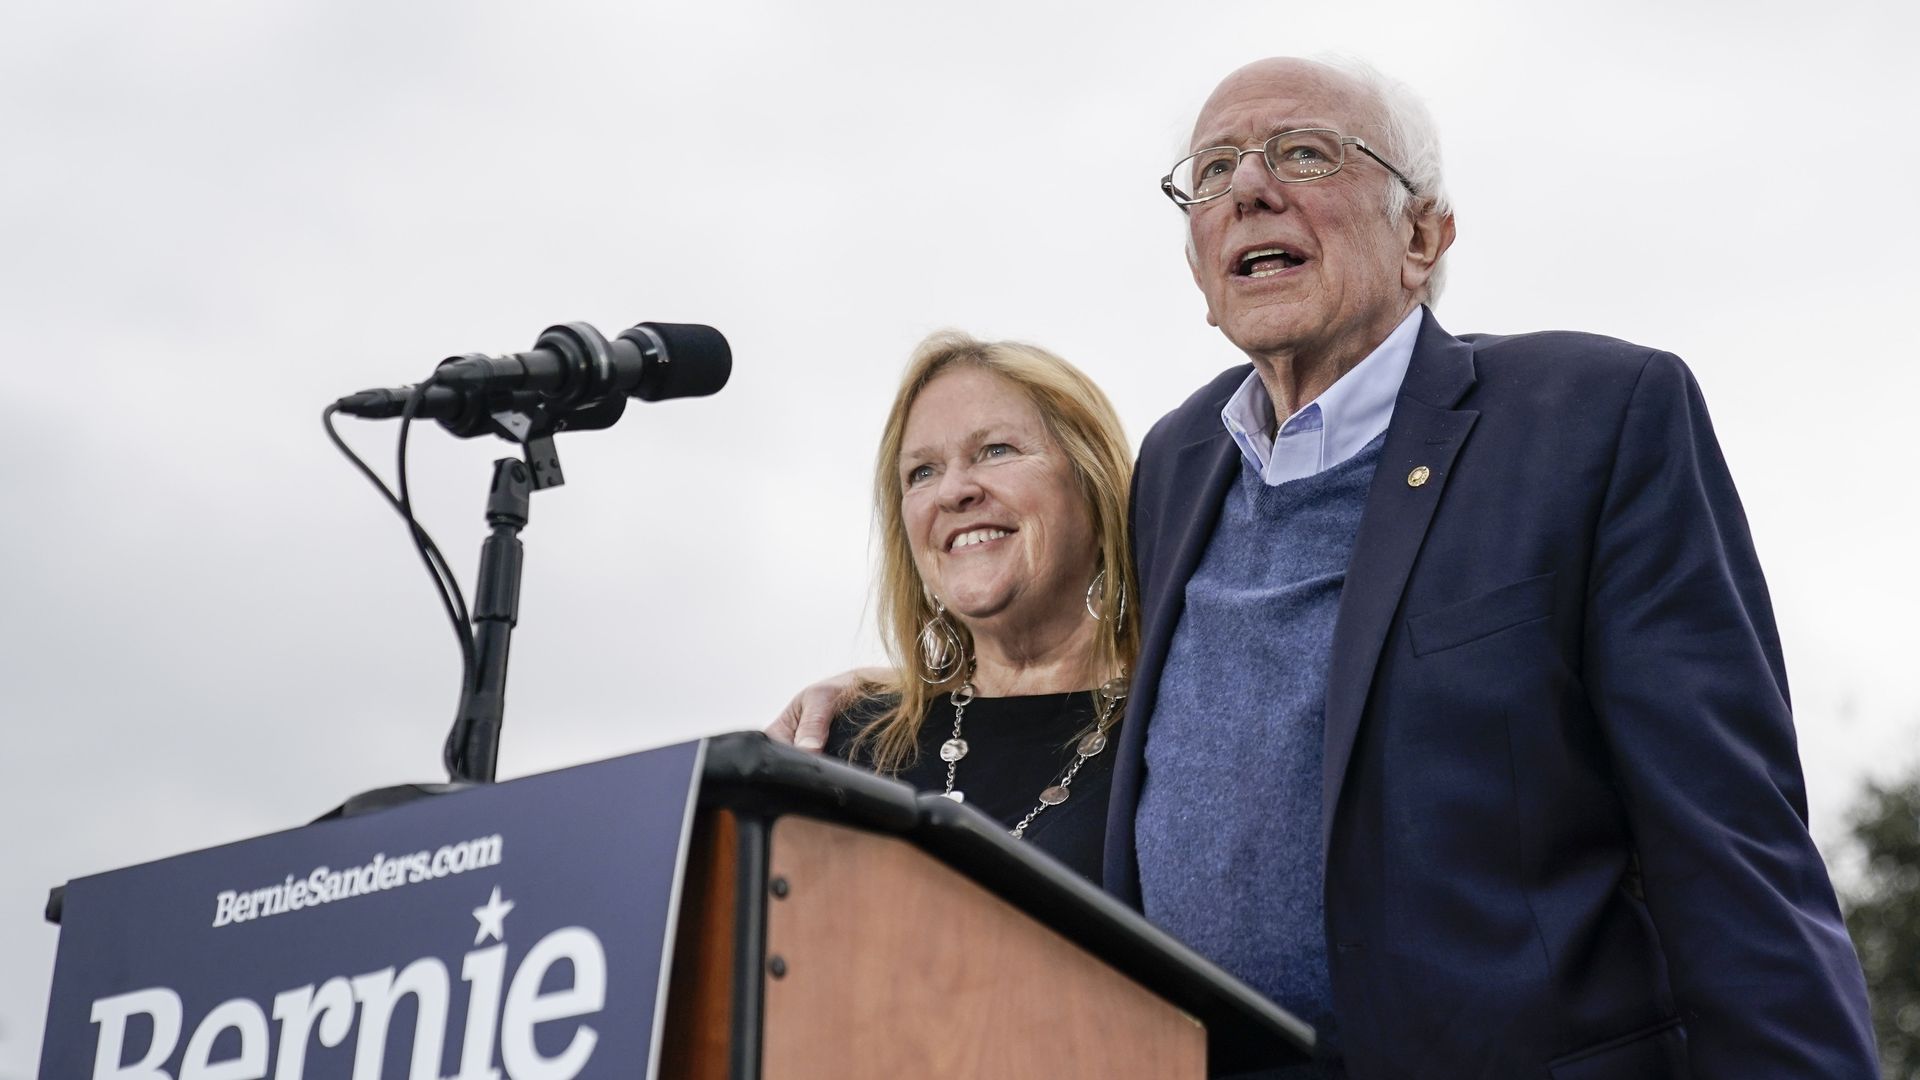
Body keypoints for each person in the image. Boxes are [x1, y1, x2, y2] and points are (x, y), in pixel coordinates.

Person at [773, 58, 1877, 1077]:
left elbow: (1732, 849)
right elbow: (1068, 655)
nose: (1248, 189)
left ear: (1426, 235)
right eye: (1210, 173)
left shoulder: (1592, 416)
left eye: (1304, 154)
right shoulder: (1179, 461)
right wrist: (880, 697)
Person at [819, 331, 1138, 882]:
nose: (953, 492)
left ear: (1095, 484)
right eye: (922, 471)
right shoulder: (848, 743)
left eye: (996, 451)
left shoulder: (1173, 736)